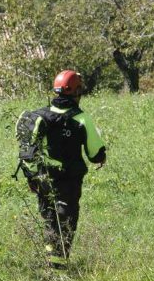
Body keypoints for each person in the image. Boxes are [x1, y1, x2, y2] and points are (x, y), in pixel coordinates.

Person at [26, 70, 106, 269]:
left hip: (43, 179)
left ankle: (50, 261)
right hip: (69, 182)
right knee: (66, 222)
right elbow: (95, 154)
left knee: (49, 220)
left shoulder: (40, 116)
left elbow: (28, 151)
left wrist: (33, 177)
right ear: (76, 92)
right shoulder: (81, 119)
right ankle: (59, 269)